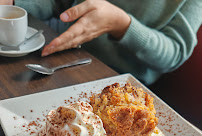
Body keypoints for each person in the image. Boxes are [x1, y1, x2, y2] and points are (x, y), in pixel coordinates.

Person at [1, 0, 202, 85]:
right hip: (64, 61)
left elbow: (174, 52)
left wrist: (122, 24)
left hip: (124, 82)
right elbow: (58, 3)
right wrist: (14, 3)